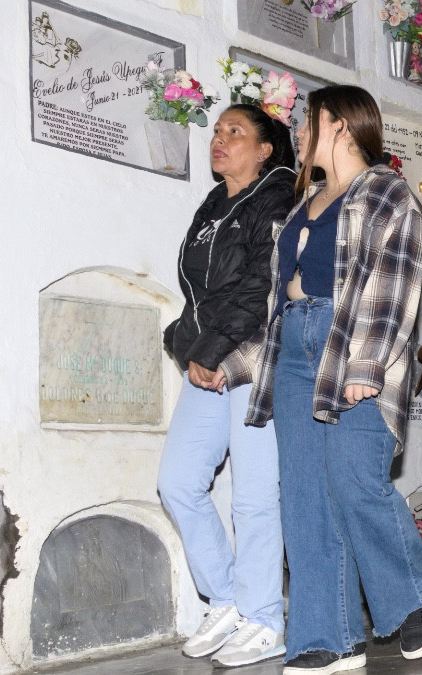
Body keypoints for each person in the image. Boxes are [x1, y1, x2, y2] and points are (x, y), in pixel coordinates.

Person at [215, 85, 422, 671]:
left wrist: (366, 363)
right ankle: (327, 636)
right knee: (305, 498)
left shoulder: (386, 192)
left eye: (307, 120)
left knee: (353, 478)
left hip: (353, 346)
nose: (297, 130)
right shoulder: (304, 203)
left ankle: (412, 592)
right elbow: (281, 305)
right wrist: (234, 364)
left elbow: (394, 284)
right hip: (295, 349)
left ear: (340, 124)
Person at [157, 103, 295, 668]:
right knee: (177, 482)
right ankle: (227, 599)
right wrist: (187, 345)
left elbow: (262, 285)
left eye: (235, 131)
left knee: (255, 494)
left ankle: (265, 618)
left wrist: (210, 349)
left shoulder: (277, 198)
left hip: (255, 358)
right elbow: (199, 295)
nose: (220, 139)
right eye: (217, 130)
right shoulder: (214, 204)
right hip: (211, 358)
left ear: (265, 149)